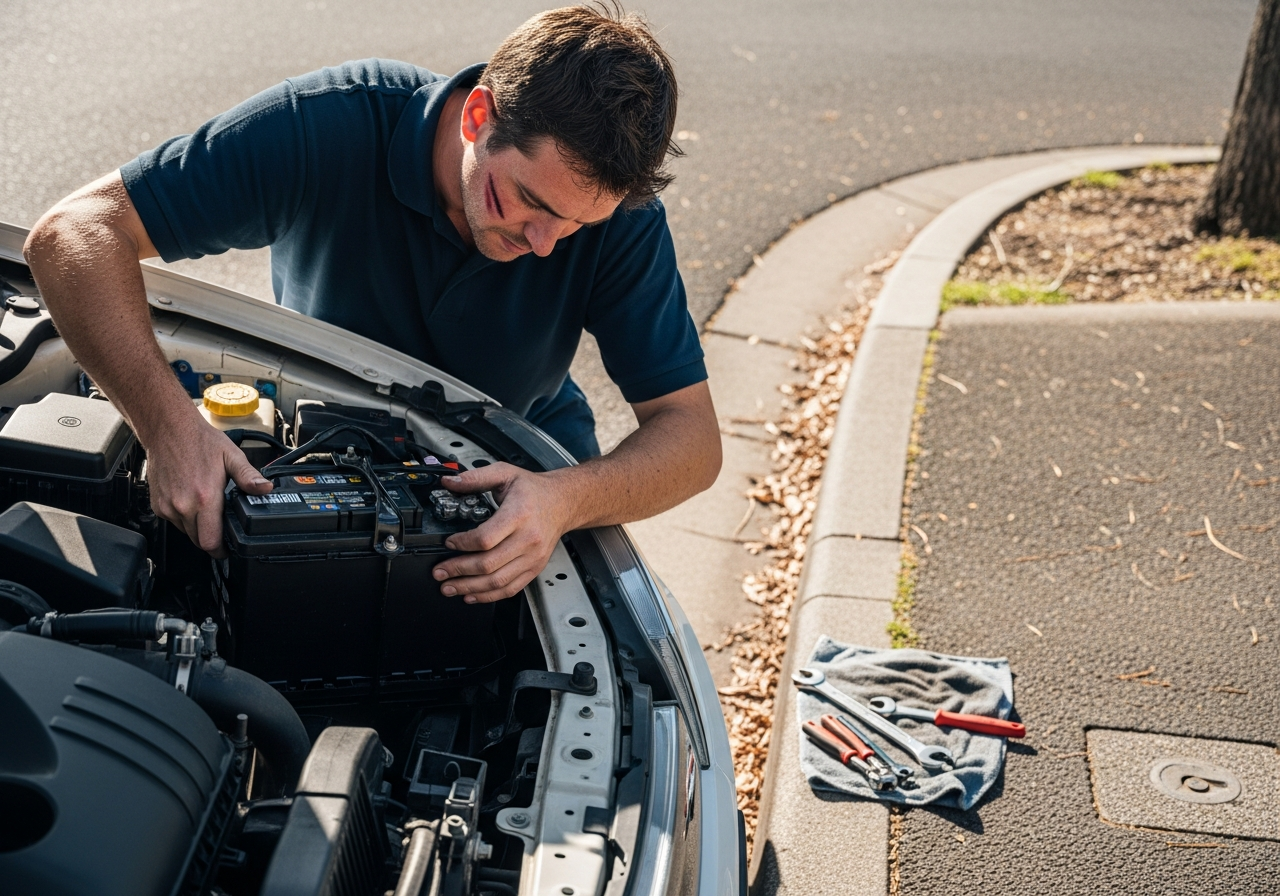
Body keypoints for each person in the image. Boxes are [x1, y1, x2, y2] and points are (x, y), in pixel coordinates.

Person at [22, 6, 721, 605]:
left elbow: (691, 438)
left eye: (574, 225)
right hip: (320, 457)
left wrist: (567, 497)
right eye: (529, 202)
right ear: (480, 114)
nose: (545, 245)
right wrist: (166, 426)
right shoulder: (325, 129)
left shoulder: (623, 220)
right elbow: (73, 234)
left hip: (522, 484)